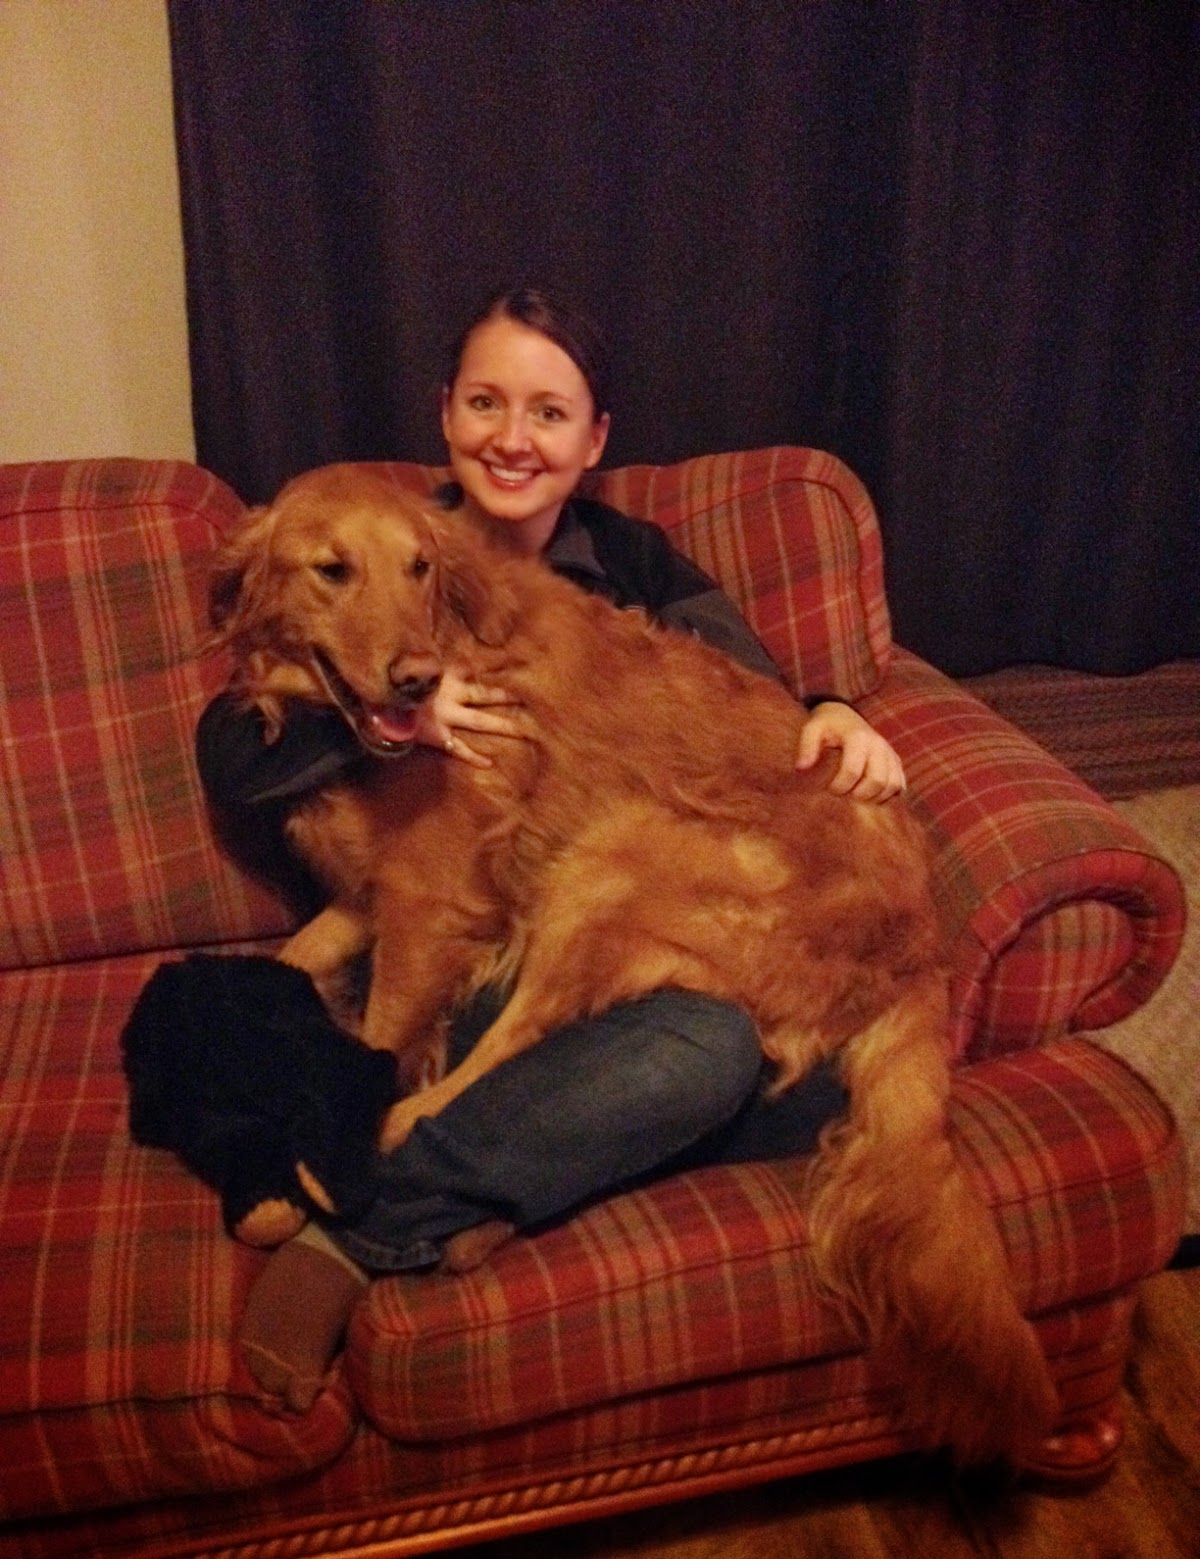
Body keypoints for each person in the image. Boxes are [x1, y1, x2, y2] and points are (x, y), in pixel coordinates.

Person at [197, 287, 907, 1411]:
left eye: (551, 412)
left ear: (594, 438)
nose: (514, 438)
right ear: (447, 412)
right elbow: (241, 749)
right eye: (487, 402)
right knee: (712, 1066)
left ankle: (387, 1212)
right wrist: (392, 714)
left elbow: (749, 695)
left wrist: (838, 709)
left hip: (616, 925)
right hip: (502, 949)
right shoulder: (380, 528)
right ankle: (499, 1171)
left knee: (742, 1065)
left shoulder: (631, 562)